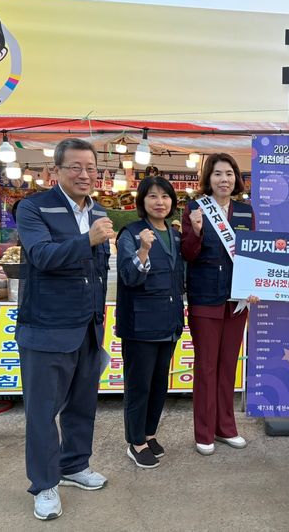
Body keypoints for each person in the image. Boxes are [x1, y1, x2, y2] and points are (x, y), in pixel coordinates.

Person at [15, 138, 114, 520]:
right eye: (75, 167)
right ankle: (44, 484)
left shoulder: (100, 211)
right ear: (56, 170)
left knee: (82, 405)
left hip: (88, 327)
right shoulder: (34, 208)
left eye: (90, 167)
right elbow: (40, 256)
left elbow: (98, 271)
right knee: (42, 411)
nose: (85, 174)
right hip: (46, 328)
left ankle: (74, 465)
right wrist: (86, 239)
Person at [180, 153, 258, 456]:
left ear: (236, 178)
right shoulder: (195, 208)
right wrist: (196, 231)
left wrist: (254, 285)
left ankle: (226, 427)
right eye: (217, 174)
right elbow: (188, 254)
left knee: (228, 366)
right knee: (206, 367)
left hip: (236, 301)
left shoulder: (244, 211)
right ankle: (204, 432)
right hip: (205, 298)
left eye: (228, 174)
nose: (223, 179)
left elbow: (252, 253)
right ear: (208, 179)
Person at [116, 176, 185, 469]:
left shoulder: (175, 234)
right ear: (142, 202)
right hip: (140, 324)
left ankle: (150, 433)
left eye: (165, 197)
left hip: (168, 322)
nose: (160, 202)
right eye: (153, 196)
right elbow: (129, 277)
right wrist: (143, 250)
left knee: (159, 383)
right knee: (139, 385)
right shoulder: (130, 234)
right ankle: (135, 441)